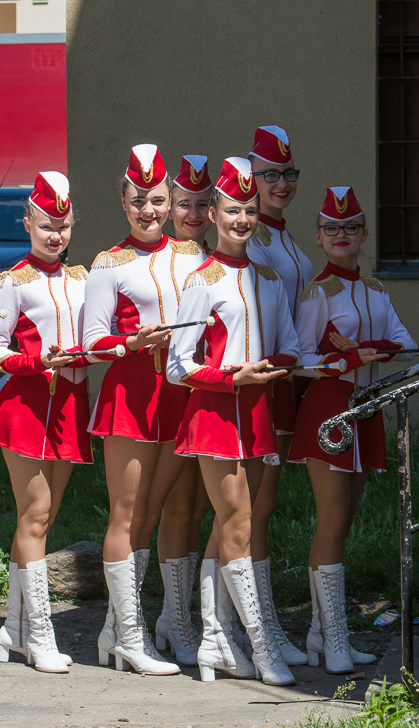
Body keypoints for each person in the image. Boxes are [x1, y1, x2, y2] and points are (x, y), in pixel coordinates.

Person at [167, 156, 304, 686]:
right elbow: (179, 364)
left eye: (248, 210)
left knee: (231, 527)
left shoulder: (268, 279)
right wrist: (232, 379)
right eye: (231, 210)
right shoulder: (201, 280)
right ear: (214, 215)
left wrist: (271, 368)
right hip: (216, 414)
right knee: (239, 524)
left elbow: (291, 347)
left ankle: (216, 639)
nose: (242, 220)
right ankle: (263, 647)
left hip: (258, 413)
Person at [82, 146, 207, 674]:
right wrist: (131, 342)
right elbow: (91, 342)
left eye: (157, 200)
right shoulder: (108, 263)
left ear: (170, 201)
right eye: (138, 201)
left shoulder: (193, 255)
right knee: (127, 514)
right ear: (123, 202)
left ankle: (119, 630)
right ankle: (129, 636)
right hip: (130, 394)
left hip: (180, 393)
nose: (149, 211)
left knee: (154, 513)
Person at [288, 187, 410, 673]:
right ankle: (334, 638)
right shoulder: (318, 292)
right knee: (333, 523)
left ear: (364, 234)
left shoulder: (377, 289)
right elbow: (298, 359)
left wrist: (367, 348)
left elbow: (404, 341)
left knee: (347, 521)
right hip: (329, 411)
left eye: (351, 227)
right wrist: (345, 360)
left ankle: (322, 635)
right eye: (332, 228)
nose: (342, 235)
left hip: (366, 409)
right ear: (319, 236)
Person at [0, 171, 90, 674]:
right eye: (46, 225)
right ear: (27, 224)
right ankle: (39, 633)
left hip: (68, 405)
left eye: (63, 226)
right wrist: (34, 363)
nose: (55, 235)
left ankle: (14, 625)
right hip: (25, 407)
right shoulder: (13, 281)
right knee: (36, 515)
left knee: (44, 518)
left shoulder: (82, 279)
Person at [244, 126, 313, 666]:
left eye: (288, 173)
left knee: (260, 507)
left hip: (288, 381)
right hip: (258, 383)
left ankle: (259, 625)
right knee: (250, 509)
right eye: (270, 175)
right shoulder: (251, 238)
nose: (281, 183)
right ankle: (254, 628)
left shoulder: (285, 238)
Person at [154, 155, 214, 663]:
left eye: (201, 204)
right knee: (175, 505)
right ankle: (175, 618)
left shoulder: (218, 257)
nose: (192, 214)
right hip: (172, 391)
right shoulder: (162, 259)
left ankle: (178, 613)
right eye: (183, 204)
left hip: (211, 397)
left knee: (198, 507)